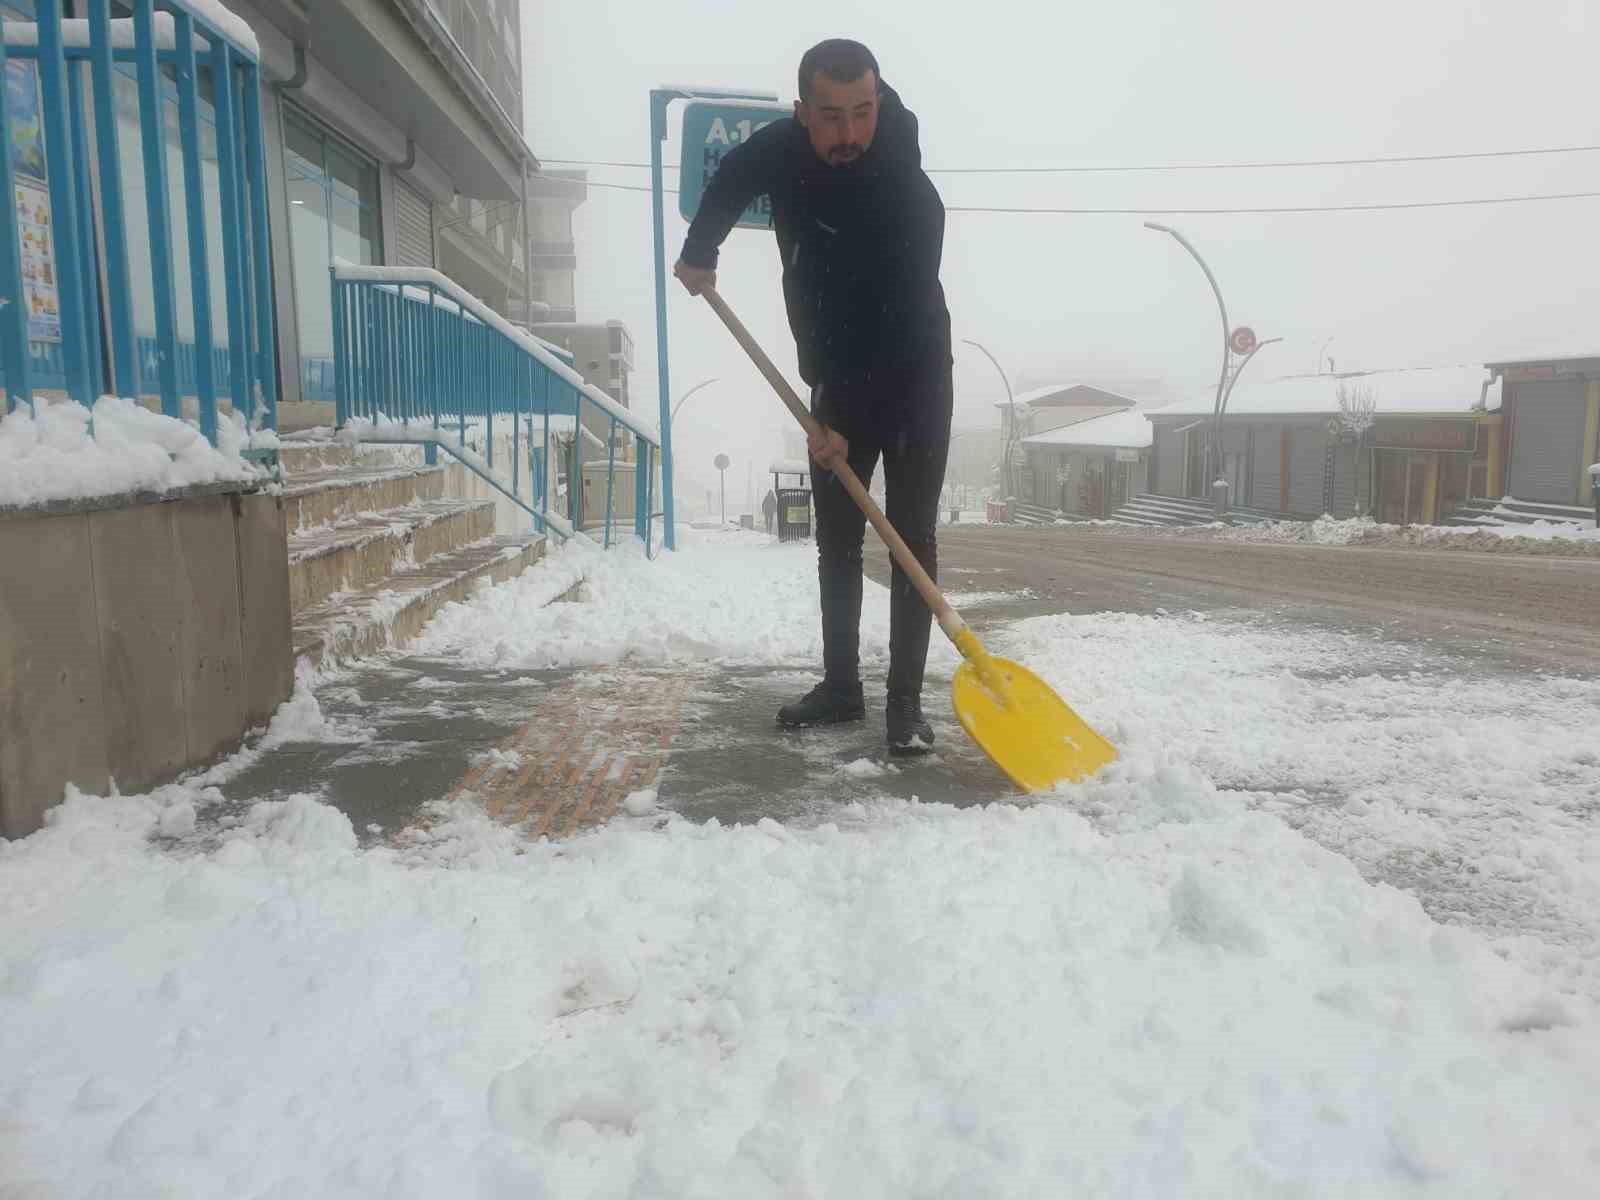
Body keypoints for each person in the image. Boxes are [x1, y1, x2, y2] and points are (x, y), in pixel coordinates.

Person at [674, 38, 952, 754]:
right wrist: (701, 249)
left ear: (880, 101)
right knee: (838, 539)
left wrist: (840, 417)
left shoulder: (900, 178)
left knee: (909, 536)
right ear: (803, 113)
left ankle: (905, 709)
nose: (850, 133)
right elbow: (734, 175)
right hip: (836, 370)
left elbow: (889, 304)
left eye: (863, 112)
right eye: (831, 117)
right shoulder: (784, 148)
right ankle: (840, 688)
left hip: (915, 368)